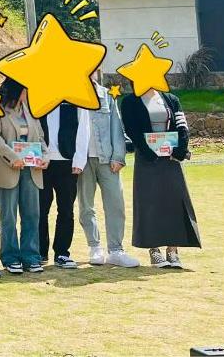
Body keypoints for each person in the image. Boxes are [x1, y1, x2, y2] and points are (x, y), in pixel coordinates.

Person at [120, 86, 200, 268]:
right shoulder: (130, 102)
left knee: (174, 201)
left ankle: (173, 250)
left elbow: (182, 126)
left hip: (171, 159)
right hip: (147, 159)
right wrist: (148, 152)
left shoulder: (171, 99)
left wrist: (180, 149)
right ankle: (154, 250)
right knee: (149, 202)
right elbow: (132, 130)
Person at [77, 73, 139, 267]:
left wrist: (118, 156)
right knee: (86, 206)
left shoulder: (107, 96)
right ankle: (94, 246)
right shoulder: (71, 95)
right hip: (82, 160)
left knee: (115, 204)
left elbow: (116, 127)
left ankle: (116, 250)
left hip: (107, 159)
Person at [0, 78, 48, 274]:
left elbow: (40, 137)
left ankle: (31, 256)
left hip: (31, 169)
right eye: (25, 89)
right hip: (9, 169)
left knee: (32, 214)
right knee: (8, 216)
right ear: (16, 89)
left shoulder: (30, 109)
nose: (28, 92)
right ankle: (10, 257)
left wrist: (45, 157)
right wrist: (12, 157)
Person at [38, 102, 90, 268]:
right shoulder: (41, 99)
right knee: (40, 208)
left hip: (68, 161)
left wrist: (80, 159)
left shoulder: (75, 101)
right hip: (42, 161)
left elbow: (84, 129)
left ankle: (62, 252)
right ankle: (40, 251)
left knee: (66, 209)